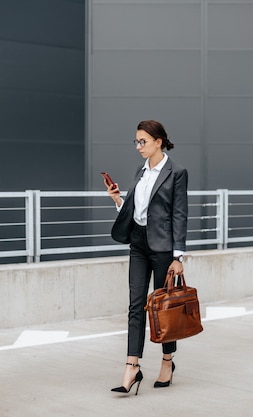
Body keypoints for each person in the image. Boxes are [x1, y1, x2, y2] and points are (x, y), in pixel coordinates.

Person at [103, 120, 188, 395]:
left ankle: (167, 362)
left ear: (158, 141)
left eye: (143, 141)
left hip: (163, 249)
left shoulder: (176, 172)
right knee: (136, 305)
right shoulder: (140, 171)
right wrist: (118, 200)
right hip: (138, 243)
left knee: (164, 309)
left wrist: (179, 256)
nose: (138, 146)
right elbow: (137, 210)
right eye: (136, 142)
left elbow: (179, 215)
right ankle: (132, 367)